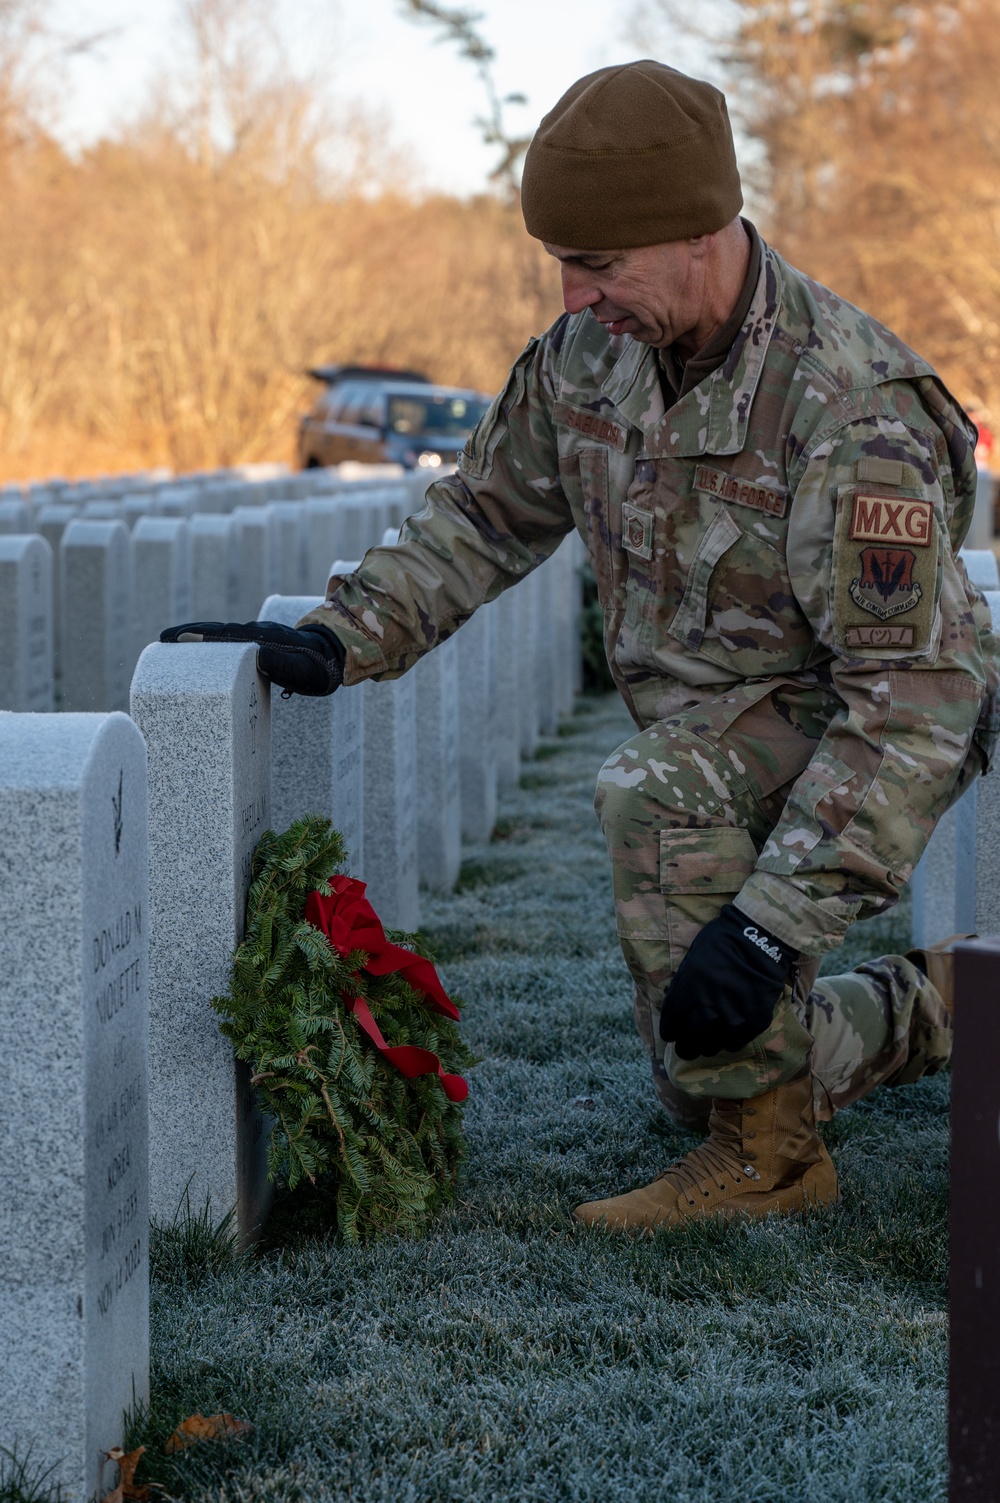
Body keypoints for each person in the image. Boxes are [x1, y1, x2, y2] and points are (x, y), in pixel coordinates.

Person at [163, 60, 999, 1231]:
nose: (572, 295)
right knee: (699, 1064)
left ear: (701, 232)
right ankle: (948, 1009)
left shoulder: (846, 407)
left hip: (868, 724)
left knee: (662, 817)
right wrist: (339, 637)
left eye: (599, 265)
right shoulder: (589, 358)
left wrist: (769, 924)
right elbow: (484, 514)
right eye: (561, 262)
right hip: (726, 728)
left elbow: (914, 696)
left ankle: (773, 1163)